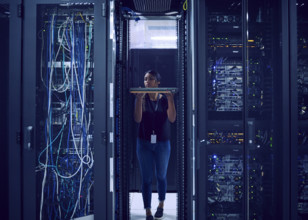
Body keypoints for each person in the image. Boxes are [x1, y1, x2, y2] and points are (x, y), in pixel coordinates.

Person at [134, 70, 176, 220]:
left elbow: (172, 119)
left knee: (161, 176)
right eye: (145, 79)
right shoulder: (142, 98)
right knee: (146, 178)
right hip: (144, 143)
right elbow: (137, 119)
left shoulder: (164, 99)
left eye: (151, 79)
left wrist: (171, 100)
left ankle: (161, 205)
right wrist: (139, 100)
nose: (147, 82)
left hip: (162, 144)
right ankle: (148, 211)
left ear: (158, 82)